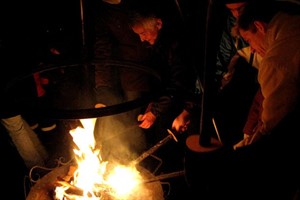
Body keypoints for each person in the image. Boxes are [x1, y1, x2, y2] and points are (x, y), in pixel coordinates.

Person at [209, 1, 300, 199]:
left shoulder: (275, 62)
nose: (252, 49)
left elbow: (271, 128)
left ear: (259, 26)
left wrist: (239, 151)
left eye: (249, 41)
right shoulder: (293, 22)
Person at [128, 3, 198, 136]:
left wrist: (155, 111)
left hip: (187, 105)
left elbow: (180, 83)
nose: (142, 39)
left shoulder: (177, 45)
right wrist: (153, 104)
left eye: (143, 33)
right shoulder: (155, 45)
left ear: (158, 24)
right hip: (169, 104)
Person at [211, 0, 261, 146]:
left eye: (240, 8)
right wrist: (195, 103)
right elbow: (219, 65)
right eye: (232, 10)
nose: (237, 14)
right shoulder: (232, 28)